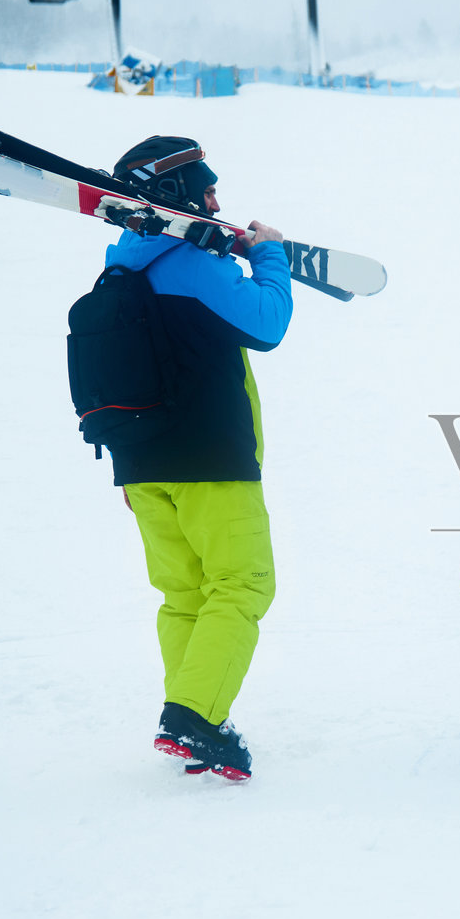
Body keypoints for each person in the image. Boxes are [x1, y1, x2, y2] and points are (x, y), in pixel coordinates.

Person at [97, 136, 293, 782]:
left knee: (184, 593)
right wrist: (269, 258)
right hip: (210, 459)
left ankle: (193, 720)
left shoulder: (118, 268)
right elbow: (266, 322)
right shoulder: (190, 265)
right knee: (243, 584)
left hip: (142, 469)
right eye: (206, 188)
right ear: (175, 197)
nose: (216, 199)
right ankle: (193, 718)